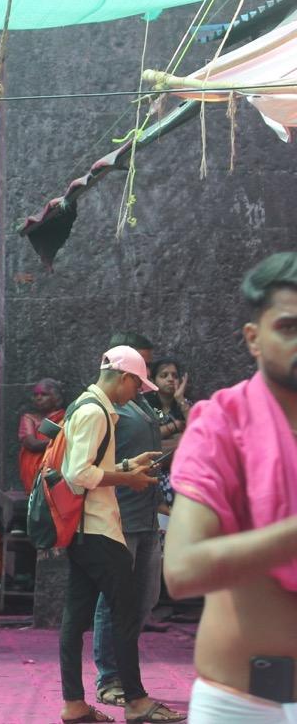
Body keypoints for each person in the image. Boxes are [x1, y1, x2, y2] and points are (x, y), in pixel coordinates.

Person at [165, 252, 297, 723]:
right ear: (253, 339)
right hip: (241, 703)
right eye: (288, 326)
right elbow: (181, 571)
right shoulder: (221, 425)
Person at [54, 346, 185, 724]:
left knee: (75, 616)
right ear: (124, 377)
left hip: (83, 529)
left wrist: (128, 465)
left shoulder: (88, 405)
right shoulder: (96, 412)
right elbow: (79, 473)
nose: (135, 395)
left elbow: (90, 467)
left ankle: (74, 704)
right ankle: (136, 701)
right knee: (126, 614)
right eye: (135, 386)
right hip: (98, 528)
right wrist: (125, 477)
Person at [92, 333, 170, 709]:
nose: (146, 376)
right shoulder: (102, 408)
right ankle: (110, 676)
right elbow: (84, 469)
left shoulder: (138, 403)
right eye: (141, 366)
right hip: (118, 517)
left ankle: (122, 668)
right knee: (115, 601)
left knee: (145, 598)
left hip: (145, 516)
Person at [18, 378, 67, 492]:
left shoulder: (64, 417)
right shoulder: (29, 418)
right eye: (36, 395)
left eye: (44, 394)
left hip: (58, 468)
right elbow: (32, 444)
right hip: (35, 469)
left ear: (55, 397)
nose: (39, 398)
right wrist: (61, 441)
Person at [146, 357, 191, 447]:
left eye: (175, 376)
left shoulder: (185, 403)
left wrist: (180, 400)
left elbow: (198, 429)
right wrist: (174, 426)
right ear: (153, 381)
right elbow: (143, 437)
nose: (171, 379)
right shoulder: (145, 402)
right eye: (164, 375)